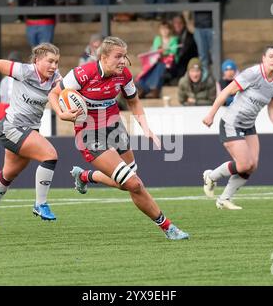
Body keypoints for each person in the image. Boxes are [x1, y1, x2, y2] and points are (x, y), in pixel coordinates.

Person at [48, 36, 189, 240]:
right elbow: (54, 93)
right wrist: (61, 113)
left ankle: (86, 176)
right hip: (89, 134)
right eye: (118, 56)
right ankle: (168, 227)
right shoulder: (82, 74)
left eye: (125, 56)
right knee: (134, 184)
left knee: (131, 179)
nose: (123, 61)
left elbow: (134, 101)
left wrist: (146, 128)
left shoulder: (123, 75)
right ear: (104, 57)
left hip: (114, 126)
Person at [0, 43, 74, 231]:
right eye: (50, 61)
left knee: (9, 173)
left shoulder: (56, 80)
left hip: (30, 130)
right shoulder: (25, 71)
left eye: (56, 62)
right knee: (49, 154)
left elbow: (66, 95)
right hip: (12, 127)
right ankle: (40, 204)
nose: (54, 66)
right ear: (37, 60)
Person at [202, 45, 273, 210]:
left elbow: (272, 108)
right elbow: (226, 92)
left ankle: (224, 199)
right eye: (271, 56)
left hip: (249, 126)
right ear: (263, 58)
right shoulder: (253, 74)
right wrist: (211, 114)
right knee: (243, 164)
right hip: (231, 123)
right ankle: (211, 176)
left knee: (252, 165)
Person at [136, 21, 179, 99]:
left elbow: (173, 52)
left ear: (170, 30)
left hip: (169, 64)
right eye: (162, 29)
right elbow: (154, 51)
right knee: (149, 69)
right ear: (160, 30)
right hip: (157, 61)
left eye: (166, 29)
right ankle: (143, 89)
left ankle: (154, 89)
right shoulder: (157, 39)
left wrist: (164, 52)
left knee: (160, 66)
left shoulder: (174, 39)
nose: (164, 31)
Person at [165, 14, 198, 85]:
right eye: (175, 23)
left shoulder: (190, 37)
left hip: (185, 65)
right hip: (171, 64)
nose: (177, 25)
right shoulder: (169, 37)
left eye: (180, 23)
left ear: (184, 24)